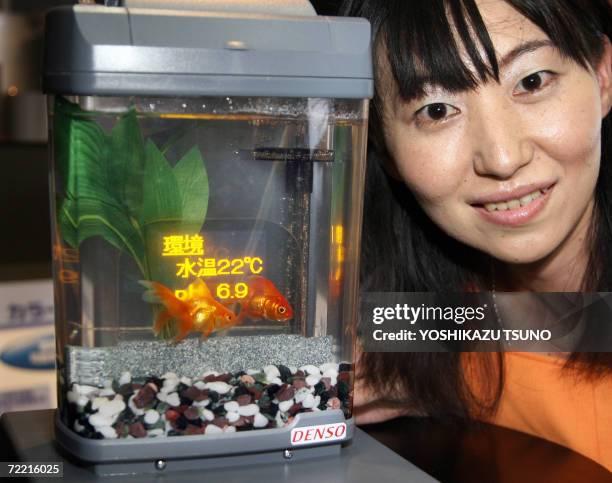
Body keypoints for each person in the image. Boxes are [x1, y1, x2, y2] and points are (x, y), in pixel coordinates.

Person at [340, 0, 612, 470]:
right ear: (383, 148)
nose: (503, 157)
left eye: (532, 82)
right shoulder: (435, 317)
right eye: (437, 110)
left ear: (603, 76)